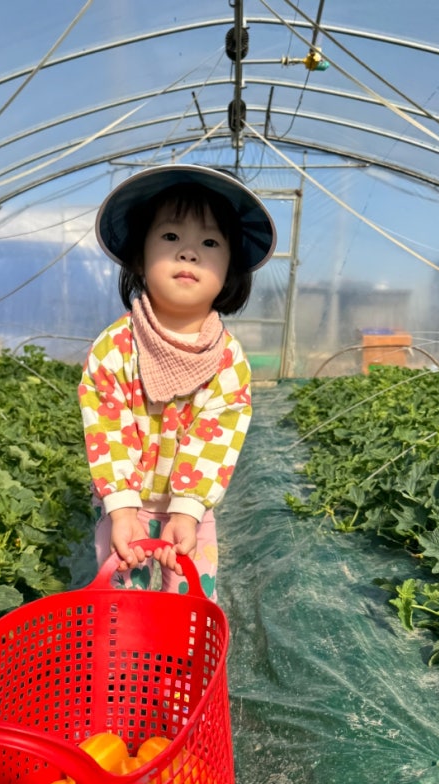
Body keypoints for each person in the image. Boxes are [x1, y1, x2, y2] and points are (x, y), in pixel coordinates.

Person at [78, 164, 276, 599]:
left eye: (210, 243)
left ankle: (179, 648)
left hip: (191, 513)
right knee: (123, 599)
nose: (189, 253)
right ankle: (127, 642)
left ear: (231, 268)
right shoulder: (114, 348)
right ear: (139, 256)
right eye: (170, 237)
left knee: (188, 603)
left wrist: (186, 511)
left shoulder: (227, 360)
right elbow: (108, 429)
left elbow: (216, 436)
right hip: (123, 505)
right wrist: (122, 508)